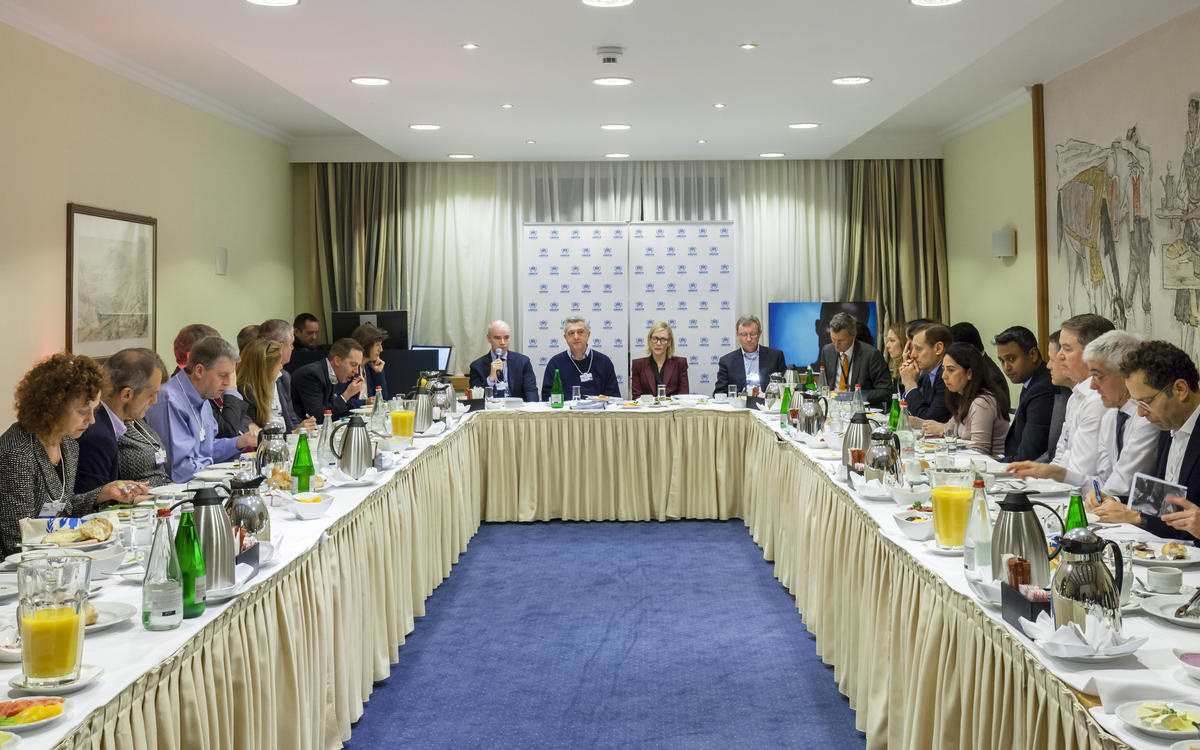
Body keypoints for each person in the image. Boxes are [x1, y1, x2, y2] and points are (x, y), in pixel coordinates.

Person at [0, 354, 142, 555]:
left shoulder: (68, 444)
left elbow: (61, 510)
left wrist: (102, 494)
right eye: (84, 411)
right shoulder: (17, 454)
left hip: (57, 556)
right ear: (52, 407)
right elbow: (19, 539)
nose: (92, 420)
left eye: (95, 410)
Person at [1009, 330, 1157, 497]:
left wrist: (1096, 497)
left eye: (1098, 376)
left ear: (1125, 375)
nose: (1092, 386)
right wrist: (1053, 472)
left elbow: (1121, 487)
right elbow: (1103, 482)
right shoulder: (1111, 416)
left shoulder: (1146, 418)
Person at [1086, 340, 1200, 540]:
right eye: (1136, 403)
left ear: (1180, 389)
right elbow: (1168, 505)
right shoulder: (1168, 425)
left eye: (1146, 402)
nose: (1140, 413)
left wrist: (1135, 516)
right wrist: (1114, 501)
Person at [146, 336, 258, 482]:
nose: (228, 383)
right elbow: (180, 470)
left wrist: (240, 442)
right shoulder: (170, 400)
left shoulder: (204, 396)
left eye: (230, 375)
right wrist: (228, 475)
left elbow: (205, 450)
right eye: (222, 376)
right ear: (199, 371)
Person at [75, 348, 165, 494]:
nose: (155, 401)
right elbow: (94, 506)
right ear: (127, 394)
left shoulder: (108, 424)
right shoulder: (97, 434)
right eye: (151, 394)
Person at [917, 343, 1010, 456]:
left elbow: (979, 450)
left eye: (951, 370)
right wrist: (914, 422)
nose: (943, 376)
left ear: (969, 373)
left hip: (992, 466)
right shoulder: (963, 397)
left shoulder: (981, 402)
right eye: (943, 369)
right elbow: (950, 428)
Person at [171, 323, 252, 439]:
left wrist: (241, 442)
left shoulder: (208, 382)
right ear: (192, 357)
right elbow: (226, 431)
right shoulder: (181, 392)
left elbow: (244, 422)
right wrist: (231, 389)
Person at [993, 326, 1055, 462]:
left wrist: (994, 464)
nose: (1006, 368)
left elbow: (1030, 454)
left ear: (1032, 354)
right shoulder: (1032, 381)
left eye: (1011, 359)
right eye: (1002, 361)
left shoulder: (1042, 388)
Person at [812, 312, 892, 407]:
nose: (836, 345)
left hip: (860, 410)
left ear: (853, 334)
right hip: (832, 409)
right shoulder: (827, 351)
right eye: (833, 339)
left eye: (841, 341)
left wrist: (852, 396)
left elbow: (886, 391)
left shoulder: (871, 355)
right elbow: (824, 385)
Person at [540, 317, 621, 400]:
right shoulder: (555, 363)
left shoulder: (604, 362)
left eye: (580, 332)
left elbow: (614, 397)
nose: (576, 337)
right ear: (565, 337)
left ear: (588, 334)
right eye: (571, 333)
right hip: (565, 412)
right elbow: (547, 398)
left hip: (596, 412)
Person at [291, 337, 367, 420]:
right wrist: (347, 395)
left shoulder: (331, 373)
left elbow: (333, 409)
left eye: (358, 366)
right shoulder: (311, 375)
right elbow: (318, 416)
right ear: (337, 360)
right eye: (353, 364)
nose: (356, 371)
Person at [257, 318, 310, 432]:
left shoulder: (284, 377)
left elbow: (291, 418)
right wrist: (294, 433)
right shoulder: (251, 384)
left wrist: (304, 427)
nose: (292, 348)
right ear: (280, 347)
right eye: (291, 344)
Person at [713, 314, 786, 396]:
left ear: (759, 334)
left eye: (752, 334)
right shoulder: (726, 362)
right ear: (737, 335)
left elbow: (785, 388)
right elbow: (719, 393)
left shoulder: (776, 356)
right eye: (744, 335)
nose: (748, 339)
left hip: (768, 405)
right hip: (739, 406)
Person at [468, 320, 539, 401]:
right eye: (497, 338)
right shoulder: (477, 366)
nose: (502, 343)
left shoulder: (523, 362)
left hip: (516, 410)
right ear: (489, 338)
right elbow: (475, 399)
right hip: (490, 411)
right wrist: (490, 379)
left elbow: (531, 392)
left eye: (506, 338)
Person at [899, 323, 952, 422]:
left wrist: (910, 384)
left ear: (938, 348)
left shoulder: (947, 376)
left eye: (918, 349)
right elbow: (909, 410)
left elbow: (929, 420)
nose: (913, 355)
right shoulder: (927, 374)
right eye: (912, 348)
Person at [1034, 331, 1072, 463]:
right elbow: (1056, 454)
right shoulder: (1071, 397)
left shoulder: (1095, 402)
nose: (1048, 366)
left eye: (1051, 359)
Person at [630, 322, 690, 398]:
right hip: (648, 409)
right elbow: (636, 398)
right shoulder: (638, 365)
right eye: (655, 338)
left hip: (673, 409)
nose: (658, 343)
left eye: (663, 339)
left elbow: (683, 397)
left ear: (669, 342)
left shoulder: (680, 363)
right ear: (649, 340)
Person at [949, 322, 1007, 397]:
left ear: (969, 348)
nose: (950, 355)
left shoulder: (992, 377)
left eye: (954, 350)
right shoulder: (972, 367)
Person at [351, 323, 390, 401]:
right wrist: (364, 403)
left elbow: (382, 398)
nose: (381, 349)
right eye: (377, 345)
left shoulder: (369, 366)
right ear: (366, 345)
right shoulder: (349, 367)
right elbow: (344, 403)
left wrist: (378, 373)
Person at [883, 322, 907, 394]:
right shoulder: (896, 369)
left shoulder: (913, 370)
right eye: (888, 341)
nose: (887, 346)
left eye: (892, 340)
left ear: (904, 342)